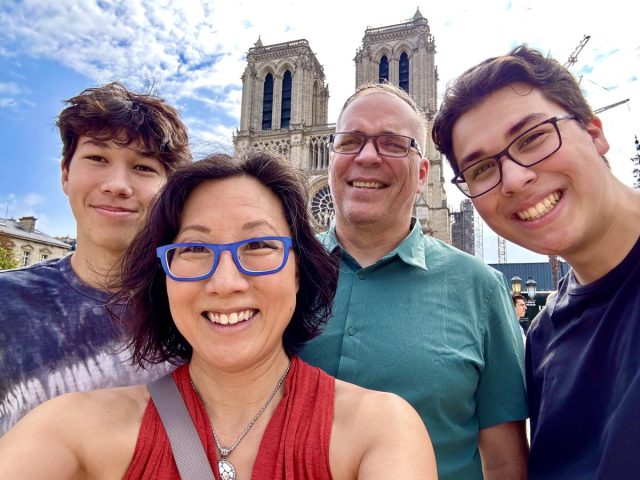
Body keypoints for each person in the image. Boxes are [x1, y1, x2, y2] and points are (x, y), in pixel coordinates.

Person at [0, 151, 437, 479]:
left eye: (258, 245)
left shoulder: (379, 432)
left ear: (299, 270)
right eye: (194, 248)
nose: (225, 282)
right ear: (164, 278)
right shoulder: (73, 427)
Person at [300, 82, 528, 480]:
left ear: (423, 173)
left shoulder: (480, 288)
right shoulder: (279, 272)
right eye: (350, 141)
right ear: (331, 156)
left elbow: (504, 462)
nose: (367, 156)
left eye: (392, 143)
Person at [432, 45, 640, 479]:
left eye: (532, 138)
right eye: (481, 169)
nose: (514, 178)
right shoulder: (544, 337)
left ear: (594, 132)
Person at [0, 82, 191, 434]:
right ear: (65, 173)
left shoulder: (199, 306)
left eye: (143, 167)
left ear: (169, 189)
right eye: (97, 158)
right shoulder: (6, 303)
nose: (117, 185)